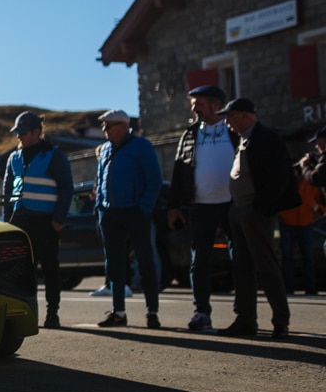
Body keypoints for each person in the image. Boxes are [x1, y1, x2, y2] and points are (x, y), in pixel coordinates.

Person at [216, 98, 299, 338]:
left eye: (230, 117)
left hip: (255, 210)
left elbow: (281, 177)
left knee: (266, 266)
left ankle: (280, 321)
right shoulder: (242, 138)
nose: (228, 123)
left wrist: (260, 207)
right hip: (239, 209)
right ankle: (246, 320)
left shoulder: (267, 138)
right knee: (241, 267)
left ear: (243, 116)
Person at [166, 84, 237, 331]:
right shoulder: (190, 134)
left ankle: (244, 313)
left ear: (215, 105)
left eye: (198, 104)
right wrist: (173, 205)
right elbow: (179, 171)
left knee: (239, 257)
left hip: (232, 203)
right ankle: (201, 313)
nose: (194, 109)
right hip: (200, 206)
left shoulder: (233, 129)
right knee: (199, 261)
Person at [1, 111, 74, 329]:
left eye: (22, 132)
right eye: (17, 132)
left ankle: (53, 312)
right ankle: (25, 312)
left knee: (50, 269)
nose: (19, 137)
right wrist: (7, 222)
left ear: (36, 132)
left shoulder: (54, 155)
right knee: (23, 271)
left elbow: (67, 189)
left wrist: (58, 220)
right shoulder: (13, 158)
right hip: (19, 221)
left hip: (45, 221)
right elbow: (6, 191)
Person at [94, 110, 164, 328]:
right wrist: (100, 207)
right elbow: (100, 179)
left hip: (135, 211)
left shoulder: (141, 146)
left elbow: (154, 180)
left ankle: (152, 312)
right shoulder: (105, 149)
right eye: (103, 126)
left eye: (109, 125)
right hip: (109, 213)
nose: (104, 130)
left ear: (123, 126)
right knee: (114, 264)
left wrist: (143, 208)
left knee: (145, 262)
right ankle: (118, 312)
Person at [278, 144, 323, 295]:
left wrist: (319, 212)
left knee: (308, 258)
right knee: (287, 258)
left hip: (306, 224)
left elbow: (321, 199)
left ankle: (310, 288)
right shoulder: (284, 183)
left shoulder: (308, 182)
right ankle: (288, 288)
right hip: (287, 224)